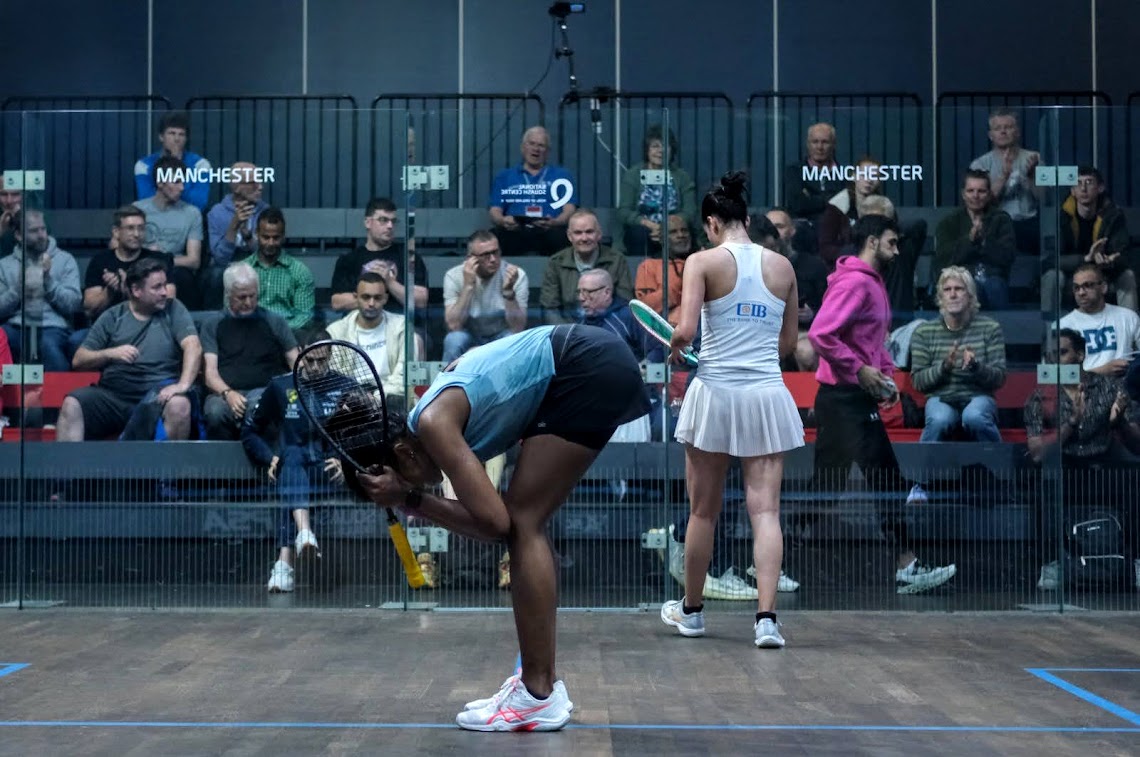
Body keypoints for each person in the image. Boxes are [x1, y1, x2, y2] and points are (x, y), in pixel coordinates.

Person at [353, 324, 650, 731]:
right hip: (593, 361)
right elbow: (491, 523)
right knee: (526, 522)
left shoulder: (434, 423)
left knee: (524, 523)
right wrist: (409, 496)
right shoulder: (434, 415)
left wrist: (408, 498)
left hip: (584, 365)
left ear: (404, 452)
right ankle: (539, 687)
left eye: (406, 476)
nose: (417, 484)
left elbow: (495, 524)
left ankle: (537, 693)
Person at [658, 171, 804, 649]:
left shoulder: (702, 261)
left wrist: (674, 344)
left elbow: (685, 330)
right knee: (766, 511)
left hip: (715, 393)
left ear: (712, 223)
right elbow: (788, 344)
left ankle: (692, 612)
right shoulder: (783, 268)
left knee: (703, 512)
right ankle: (767, 622)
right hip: (766, 394)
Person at [808, 214, 957, 594]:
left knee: (881, 480)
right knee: (828, 489)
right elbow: (821, 334)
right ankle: (768, 561)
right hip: (842, 400)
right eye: (891, 242)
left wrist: (884, 377)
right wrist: (860, 371)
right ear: (872, 241)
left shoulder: (871, 283)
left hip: (855, 398)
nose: (897, 249)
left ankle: (907, 564)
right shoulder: (856, 283)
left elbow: (873, 341)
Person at [241, 326, 349, 593]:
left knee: (289, 466)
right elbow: (250, 431)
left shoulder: (345, 386)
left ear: (330, 356)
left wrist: (344, 460)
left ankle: (284, 562)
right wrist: (268, 458)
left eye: (322, 361)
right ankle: (304, 535)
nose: (315, 367)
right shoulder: (280, 386)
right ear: (300, 353)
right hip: (293, 465)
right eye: (309, 360)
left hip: (328, 470)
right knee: (290, 456)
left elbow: (363, 431)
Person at [909, 266, 1007, 442]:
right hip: (940, 398)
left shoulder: (990, 328)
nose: (953, 294)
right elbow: (918, 381)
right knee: (939, 420)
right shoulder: (924, 332)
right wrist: (944, 367)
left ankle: (997, 459)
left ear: (970, 295)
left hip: (979, 396)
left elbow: (999, 378)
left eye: (959, 289)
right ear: (940, 297)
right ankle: (924, 461)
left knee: (974, 417)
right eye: (947, 290)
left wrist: (976, 367)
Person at [616, 125, 697, 258]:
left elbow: (690, 211)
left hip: (674, 228)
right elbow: (624, 212)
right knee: (639, 234)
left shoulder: (682, 177)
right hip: (644, 229)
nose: (660, 151)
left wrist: (668, 227)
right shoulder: (633, 175)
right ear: (647, 150)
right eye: (655, 146)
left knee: (683, 235)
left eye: (665, 146)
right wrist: (650, 225)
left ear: (672, 150)